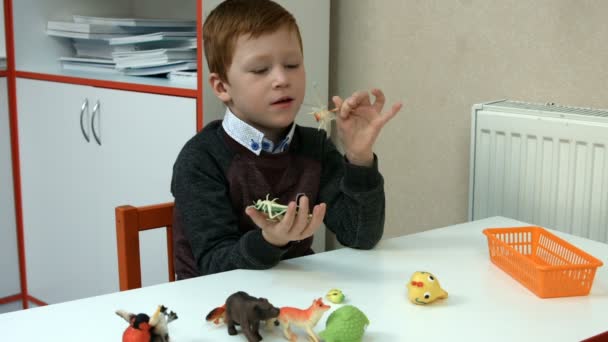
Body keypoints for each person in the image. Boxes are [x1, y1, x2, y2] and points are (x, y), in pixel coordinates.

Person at [171, 0, 402, 279]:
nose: (281, 78)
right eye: (260, 70)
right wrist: (270, 241)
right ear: (222, 87)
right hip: (215, 306)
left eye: (292, 64)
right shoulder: (201, 159)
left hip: (294, 297)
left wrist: (359, 159)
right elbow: (213, 265)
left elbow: (360, 236)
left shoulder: (314, 147)